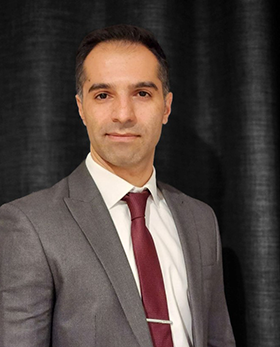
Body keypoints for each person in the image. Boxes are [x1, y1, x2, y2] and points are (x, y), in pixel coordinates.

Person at [0, 24, 235, 347]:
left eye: (142, 93)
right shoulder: (28, 226)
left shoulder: (200, 220)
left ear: (165, 107)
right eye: (103, 95)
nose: (123, 114)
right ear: (82, 107)